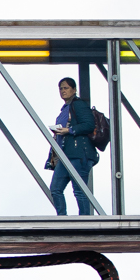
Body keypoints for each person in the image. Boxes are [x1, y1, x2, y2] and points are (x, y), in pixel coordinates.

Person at [47, 77, 98, 216]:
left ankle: (85, 220)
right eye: (61, 88)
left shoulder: (79, 104)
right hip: (66, 155)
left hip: (79, 154)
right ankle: (62, 218)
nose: (63, 91)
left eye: (66, 88)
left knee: (79, 190)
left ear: (74, 90)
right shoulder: (64, 110)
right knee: (55, 189)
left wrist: (68, 130)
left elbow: (89, 124)